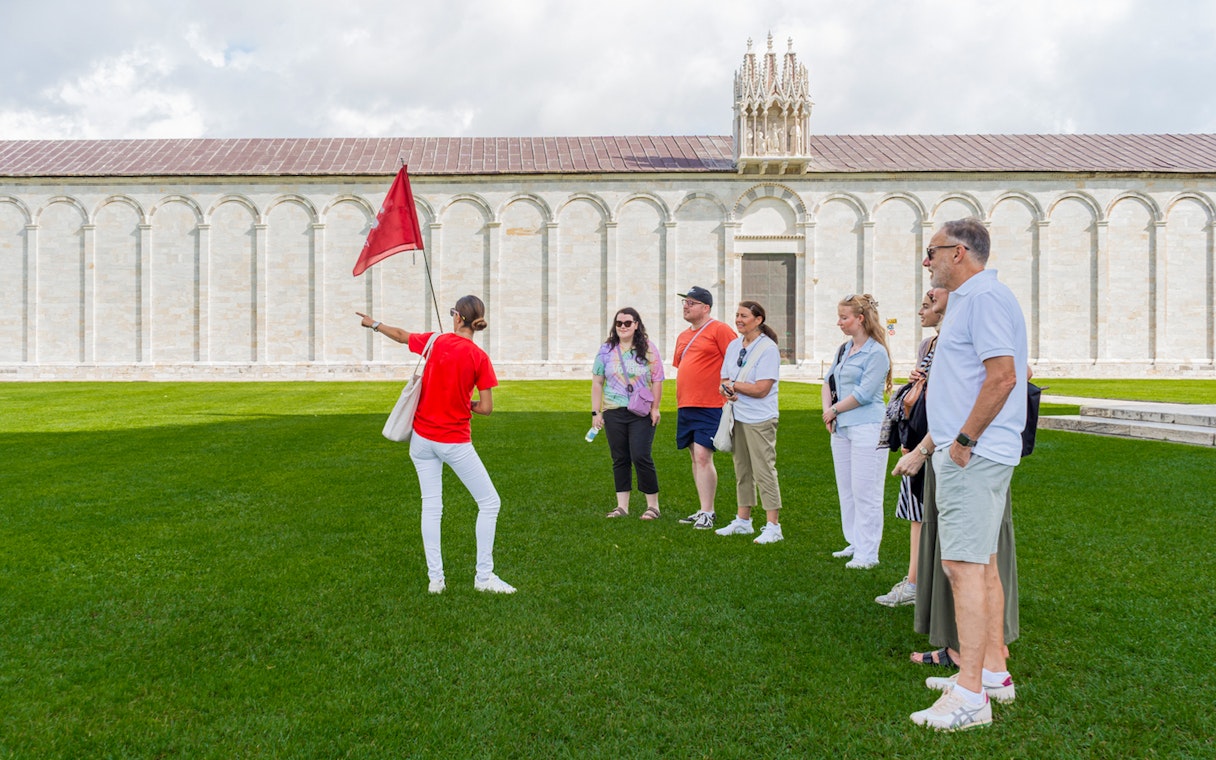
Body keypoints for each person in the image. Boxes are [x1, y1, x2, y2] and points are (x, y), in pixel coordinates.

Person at [893, 218, 1028, 731]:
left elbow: (1005, 376)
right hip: (965, 450)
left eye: (932, 251)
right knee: (983, 564)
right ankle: (993, 671)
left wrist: (963, 443)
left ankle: (971, 695)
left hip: (973, 453)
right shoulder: (972, 302)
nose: (927, 261)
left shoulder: (985, 300)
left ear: (960, 252)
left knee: (962, 568)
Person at [356, 296, 516, 595]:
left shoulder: (436, 342)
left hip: (421, 440)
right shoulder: (479, 357)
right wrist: (465, 402)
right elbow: (486, 408)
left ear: (457, 317)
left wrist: (373, 324)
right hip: (454, 441)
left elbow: (402, 336)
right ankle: (483, 578)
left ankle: (436, 580)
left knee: (431, 506)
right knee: (490, 503)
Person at [875, 290, 942, 606]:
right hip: (916, 432)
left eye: (926, 306)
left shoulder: (955, 342)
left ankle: (920, 583)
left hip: (939, 437)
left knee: (933, 513)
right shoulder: (927, 345)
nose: (920, 311)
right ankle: (915, 580)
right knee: (917, 511)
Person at [822, 293, 893, 569]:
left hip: (867, 427)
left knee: (867, 491)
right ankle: (854, 542)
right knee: (848, 489)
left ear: (860, 319)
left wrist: (835, 410)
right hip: (842, 428)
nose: (839, 322)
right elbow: (828, 381)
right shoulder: (843, 349)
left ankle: (868, 553)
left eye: (844, 317)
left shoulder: (876, 353)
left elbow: (864, 394)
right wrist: (828, 412)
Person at [714, 301, 784, 544]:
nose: (739, 319)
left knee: (764, 470)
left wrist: (734, 386)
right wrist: (727, 390)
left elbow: (762, 388)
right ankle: (743, 521)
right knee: (742, 470)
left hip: (760, 418)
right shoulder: (734, 345)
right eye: (737, 315)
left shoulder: (768, 349)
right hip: (738, 415)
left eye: (744, 315)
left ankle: (773, 526)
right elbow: (724, 378)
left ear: (758, 319)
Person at [671, 286, 737, 530]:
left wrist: (729, 385)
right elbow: (683, 367)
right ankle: (702, 509)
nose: (686, 306)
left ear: (706, 307)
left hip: (710, 404)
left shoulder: (719, 329)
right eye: (684, 302)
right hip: (686, 404)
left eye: (691, 302)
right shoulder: (682, 336)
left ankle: (709, 512)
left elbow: (736, 356)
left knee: (702, 455)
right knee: (694, 457)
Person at [591, 307, 665, 520]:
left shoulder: (648, 348)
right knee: (620, 458)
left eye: (627, 323)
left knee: (641, 455)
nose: (623, 326)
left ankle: (653, 506)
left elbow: (658, 379)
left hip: (641, 410)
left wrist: (655, 408)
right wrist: (596, 412)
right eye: (619, 323)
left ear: (636, 325)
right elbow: (597, 382)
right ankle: (622, 506)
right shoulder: (606, 350)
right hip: (613, 411)